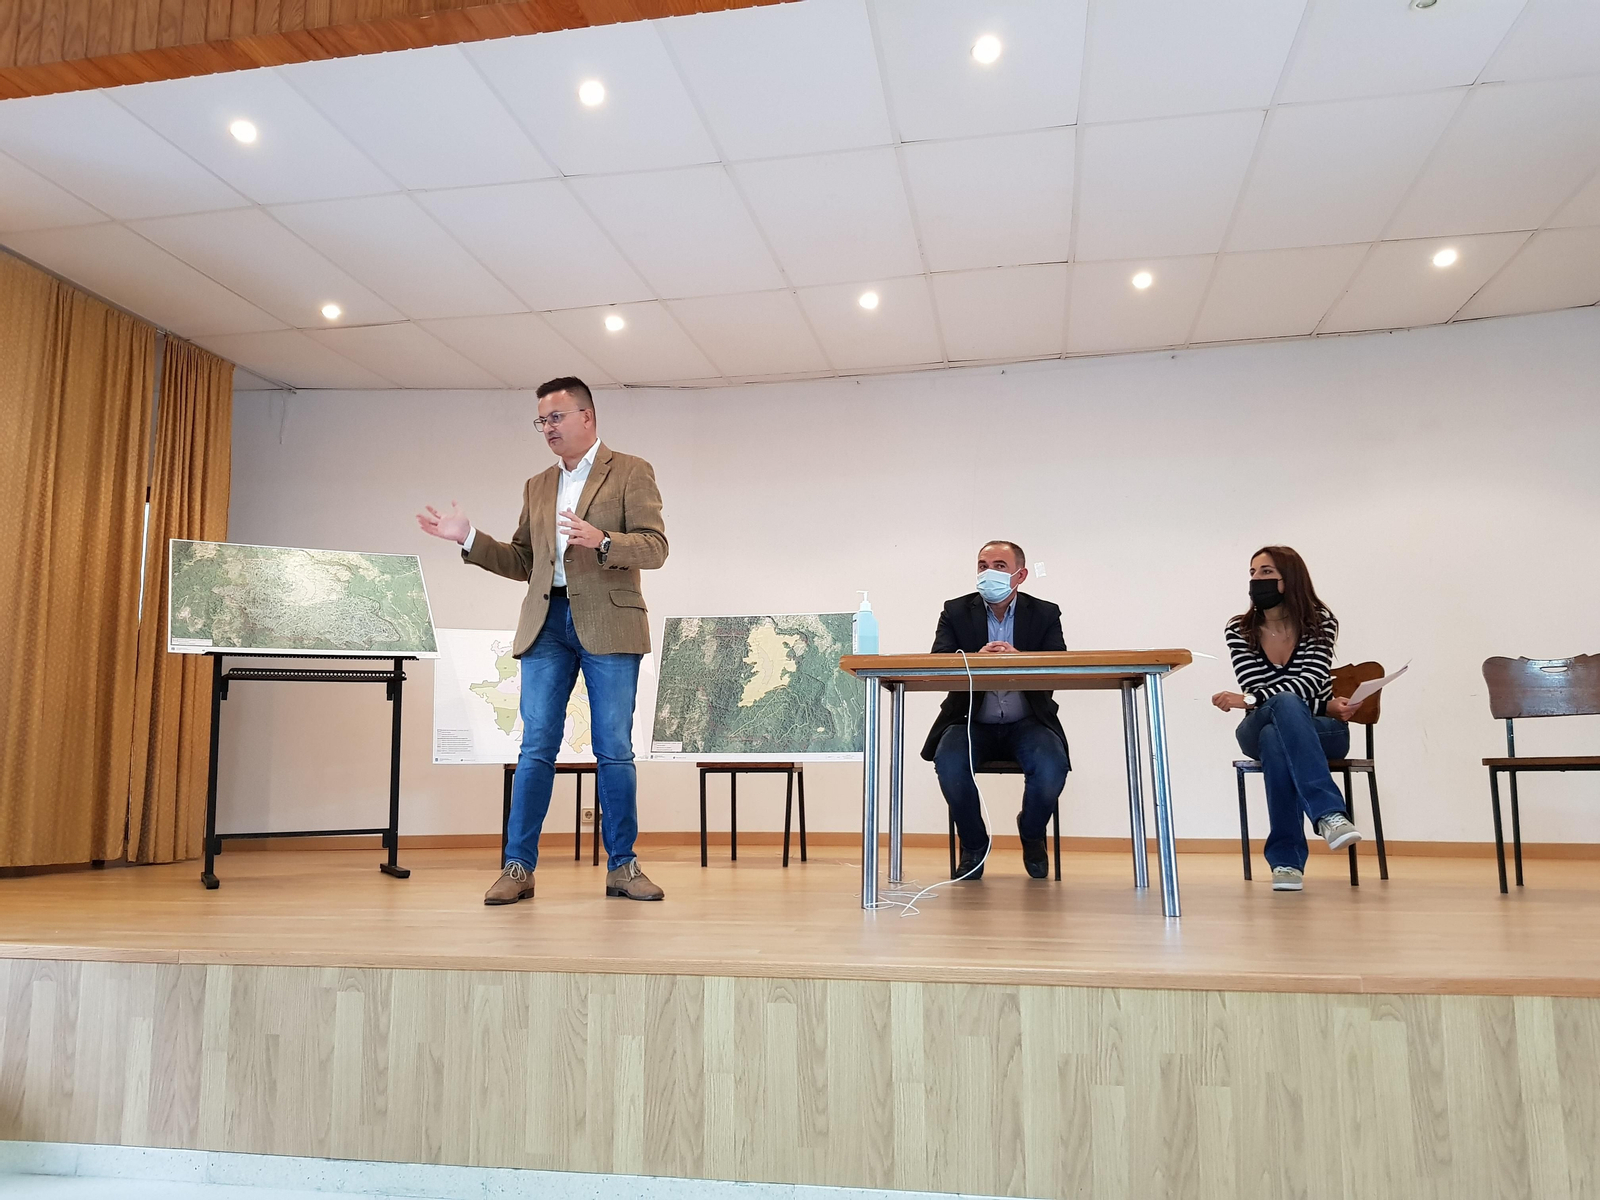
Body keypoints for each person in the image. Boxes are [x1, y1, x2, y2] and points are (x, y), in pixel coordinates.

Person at [417, 377, 669, 906]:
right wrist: (468, 537)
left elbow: (655, 548)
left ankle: (623, 867)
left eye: (556, 417)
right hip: (546, 623)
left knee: (614, 748)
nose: (547, 428)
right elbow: (523, 561)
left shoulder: (630, 470)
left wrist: (603, 540)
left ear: (587, 417)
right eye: (541, 421)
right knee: (535, 748)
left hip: (610, 622)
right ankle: (518, 867)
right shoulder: (537, 485)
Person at [1212, 545, 1363, 892]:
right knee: (1281, 708)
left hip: (1321, 733)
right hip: (1261, 723)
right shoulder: (1239, 630)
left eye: (1266, 572)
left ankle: (1287, 862)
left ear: (1289, 578)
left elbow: (1308, 680)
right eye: (1252, 573)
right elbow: (1258, 686)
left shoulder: (1320, 624)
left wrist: (1248, 700)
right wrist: (1323, 705)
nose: (1256, 579)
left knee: (1274, 739)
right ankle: (1328, 814)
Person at [920, 541, 1070, 881]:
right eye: (982, 565)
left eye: (1000, 566)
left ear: (1021, 575)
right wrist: (976, 659)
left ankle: (1031, 834)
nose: (989, 573)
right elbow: (939, 662)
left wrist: (1020, 659)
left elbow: (1059, 665)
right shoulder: (955, 611)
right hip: (970, 721)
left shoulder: (1045, 613)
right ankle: (974, 844)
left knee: (1051, 768)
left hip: (1028, 722)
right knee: (949, 764)